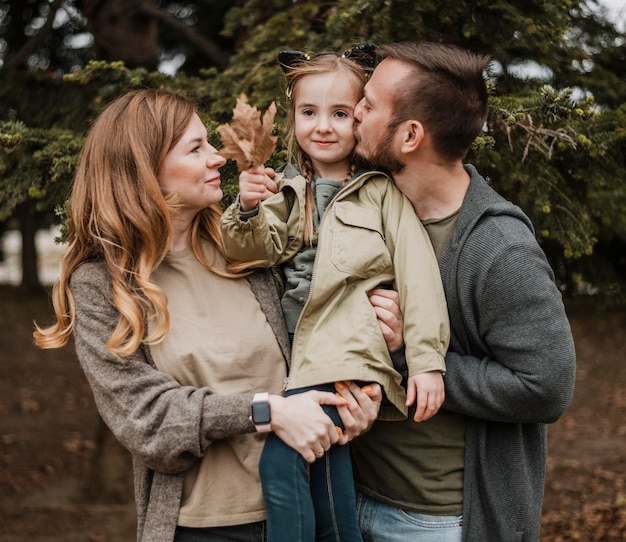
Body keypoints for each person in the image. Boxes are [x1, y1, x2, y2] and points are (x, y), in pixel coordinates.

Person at [32, 88, 384, 542]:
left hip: (307, 508)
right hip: (203, 528)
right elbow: (148, 420)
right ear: (144, 170)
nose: (218, 158)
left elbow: (318, 335)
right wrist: (265, 411)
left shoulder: (247, 249)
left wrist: (356, 391)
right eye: (196, 148)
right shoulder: (103, 286)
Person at [349, 41, 577, 542]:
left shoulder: (499, 249)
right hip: (350, 499)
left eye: (367, 105)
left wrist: (411, 354)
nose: (353, 113)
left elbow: (547, 387)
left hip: (436, 523)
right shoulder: (366, 208)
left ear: (409, 135)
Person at [220, 47, 449, 541]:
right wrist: (245, 206)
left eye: (340, 114)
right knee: (327, 479)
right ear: (293, 118)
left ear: (360, 119)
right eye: (309, 113)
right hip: (297, 358)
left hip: (346, 353)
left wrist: (428, 360)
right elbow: (248, 254)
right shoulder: (283, 189)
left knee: (281, 465)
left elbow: (418, 273)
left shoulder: (381, 193)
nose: (323, 126)